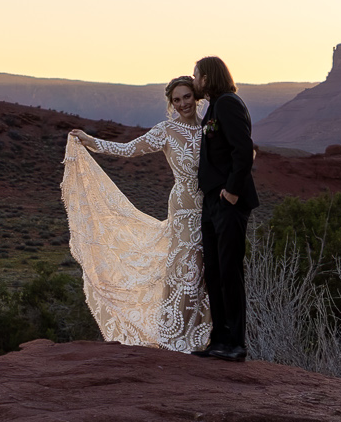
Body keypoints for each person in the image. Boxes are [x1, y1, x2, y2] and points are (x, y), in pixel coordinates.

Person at [63, 78, 211, 352]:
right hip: (184, 209)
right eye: (176, 100)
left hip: (213, 208)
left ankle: (203, 338)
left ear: (197, 96)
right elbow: (130, 149)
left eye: (187, 97)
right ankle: (175, 338)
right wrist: (92, 142)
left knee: (206, 271)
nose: (183, 104)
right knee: (186, 269)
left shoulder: (209, 128)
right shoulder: (166, 130)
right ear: (171, 104)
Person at [190, 54, 258, 360]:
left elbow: (244, 150)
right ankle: (218, 340)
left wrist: (231, 192)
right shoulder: (216, 106)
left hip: (228, 202)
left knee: (230, 271)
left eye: (196, 76)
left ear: (207, 77)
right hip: (212, 202)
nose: (194, 81)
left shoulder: (228, 103)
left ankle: (236, 344)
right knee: (214, 271)